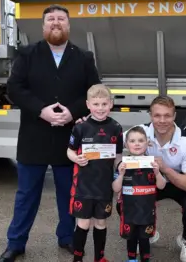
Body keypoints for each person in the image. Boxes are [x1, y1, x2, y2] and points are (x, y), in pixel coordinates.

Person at [0, 4, 101, 262]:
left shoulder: (84, 57)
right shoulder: (27, 54)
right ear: (43, 26)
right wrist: (41, 110)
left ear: (68, 25)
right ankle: (16, 243)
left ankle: (66, 237)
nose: (56, 23)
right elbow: (15, 89)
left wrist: (73, 111)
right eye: (51, 20)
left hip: (69, 138)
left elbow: (94, 92)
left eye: (61, 19)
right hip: (34, 136)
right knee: (26, 195)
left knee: (69, 193)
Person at [76, 95, 186, 262]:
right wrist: (89, 125)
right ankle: (144, 231)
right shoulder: (140, 131)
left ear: (174, 116)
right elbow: (110, 140)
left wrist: (165, 169)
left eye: (167, 115)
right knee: (124, 202)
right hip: (149, 184)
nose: (162, 120)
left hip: (174, 181)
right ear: (150, 115)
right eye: (157, 115)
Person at [67, 84, 124, 262]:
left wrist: (120, 170)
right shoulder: (81, 127)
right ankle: (77, 258)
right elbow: (69, 151)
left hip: (104, 187)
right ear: (88, 105)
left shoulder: (116, 127)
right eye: (96, 104)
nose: (100, 108)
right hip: (84, 186)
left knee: (101, 223)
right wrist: (76, 159)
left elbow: (118, 155)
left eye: (104, 104)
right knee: (83, 223)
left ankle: (99, 258)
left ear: (111, 104)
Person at [113, 126, 167, 262]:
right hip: (128, 211)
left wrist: (158, 173)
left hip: (147, 211)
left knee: (144, 239)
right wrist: (120, 175)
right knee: (130, 238)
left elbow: (161, 186)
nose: (136, 144)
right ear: (126, 144)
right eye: (132, 141)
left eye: (140, 140)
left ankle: (145, 259)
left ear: (147, 143)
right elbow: (115, 188)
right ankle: (131, 259)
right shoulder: (122, 165)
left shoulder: (152, 163)